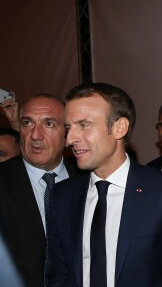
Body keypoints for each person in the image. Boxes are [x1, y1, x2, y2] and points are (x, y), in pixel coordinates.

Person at [48, 83, 162, 286]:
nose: (70, 139)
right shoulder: (61, 197)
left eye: (84, 125)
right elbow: (60, 275)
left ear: (119, 128)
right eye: (68, 128)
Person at [0, 94, 85, 287]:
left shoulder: (89, 184)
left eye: (49, 124)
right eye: (28, 123)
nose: (36, 135)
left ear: (68, 134)